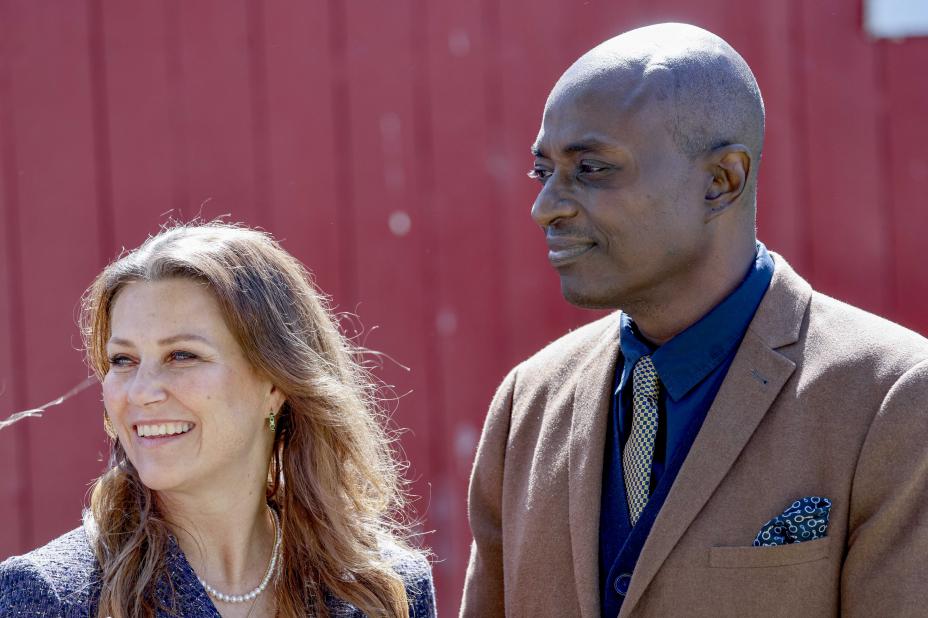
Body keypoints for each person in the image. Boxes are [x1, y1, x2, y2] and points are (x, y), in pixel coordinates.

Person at [462, 22, 928, 617]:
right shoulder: (527, 404)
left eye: (592, 168)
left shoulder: (892, 399)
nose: (544, 206)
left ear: (721, 181)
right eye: (542, 171)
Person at [0, 222, 436, 617]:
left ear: (274, 383)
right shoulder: (49, 597)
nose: (141, 392)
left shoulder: (385, 591)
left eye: (181, 355)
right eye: (123, 359)